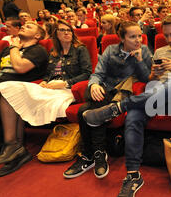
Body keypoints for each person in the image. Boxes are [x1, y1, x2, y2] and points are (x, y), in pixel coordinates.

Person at [82, 14, 171, 197]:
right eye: (166, 35)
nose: (170, 39)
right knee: (133, 116)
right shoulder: (160, 51)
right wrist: (153, 73)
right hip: (153, 95)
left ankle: (117, 108)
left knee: (170, 86)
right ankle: (132, 175)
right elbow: (149, 79)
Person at [0, 19, 91, 176]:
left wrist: (65, 83)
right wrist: (44, 80)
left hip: (66, 89)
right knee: (8, 88)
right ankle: (14, 144)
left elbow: (87, 73)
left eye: (69, 30)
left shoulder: (80, 49)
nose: (66, 33)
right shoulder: (53, 52)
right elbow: (49, 72)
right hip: (49, 87)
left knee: (16, 94)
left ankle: (14, 146)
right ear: (55, 35)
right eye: (62, 30)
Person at [62, 20, 152, 180]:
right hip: (106, 90)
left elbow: (148, 78)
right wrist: (94, 84)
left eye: (140, 35)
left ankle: (91, 155)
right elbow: (98, 73)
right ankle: (97, 155)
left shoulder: (144, 51)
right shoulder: (111, 50)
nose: (138, 40)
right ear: (122, 38)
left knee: (84, 111)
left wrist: (139, 61)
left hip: (124, 93)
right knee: (93, 103)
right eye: (133, 37)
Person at [0, 21, 48, 148]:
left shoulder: (38, 51)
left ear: (37, 36)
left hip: (9, 95)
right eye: (24, 25)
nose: (24, 26)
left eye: (29, 27)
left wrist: (14, 48)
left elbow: (20, 67)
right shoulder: (6, 50)